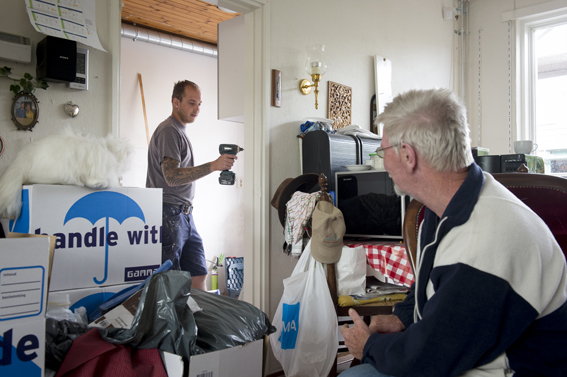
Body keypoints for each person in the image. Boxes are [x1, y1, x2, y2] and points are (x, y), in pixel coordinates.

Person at [340, 88, 567, 377]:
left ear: (408, 155)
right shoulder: (450, 205)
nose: (384, 163)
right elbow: (435, 286)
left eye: (383, 151)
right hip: (471, 356)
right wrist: (403, 318)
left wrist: (368, 345)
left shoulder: (483, 241)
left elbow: (427, 361)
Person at [146, 80, 236, 291]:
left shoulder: (180, 130)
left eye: (199, 104)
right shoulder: (169, 130)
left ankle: (198, 323)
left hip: (184, 214)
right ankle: (173, 324)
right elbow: (172, 177)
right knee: (171, 281)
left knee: (199, 274)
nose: (197, 109)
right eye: (191, 103)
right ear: (176, 102)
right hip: (168, 213)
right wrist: (213, 165)